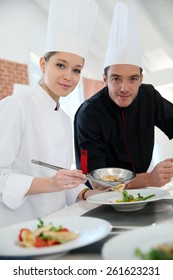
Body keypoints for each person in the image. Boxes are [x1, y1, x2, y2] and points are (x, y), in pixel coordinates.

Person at [0, 0, 98, 227]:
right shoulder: (16, 106)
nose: (68, 76)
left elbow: (62, 183)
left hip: (56, 227)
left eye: (76, 70)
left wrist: (90, 195)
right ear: (43, 64)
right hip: (17, 229)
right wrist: (51, 183)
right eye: (61, 65)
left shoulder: (64, 119)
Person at [74, 2, 173, 190]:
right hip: (101, 201)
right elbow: (97, 183)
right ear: (105, 78)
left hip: (144, 194)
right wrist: (150, 179)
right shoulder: (89, 114)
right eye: (116, 78)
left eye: (133, 79)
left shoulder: (149, 96)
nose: (124, 88)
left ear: (141, 78)